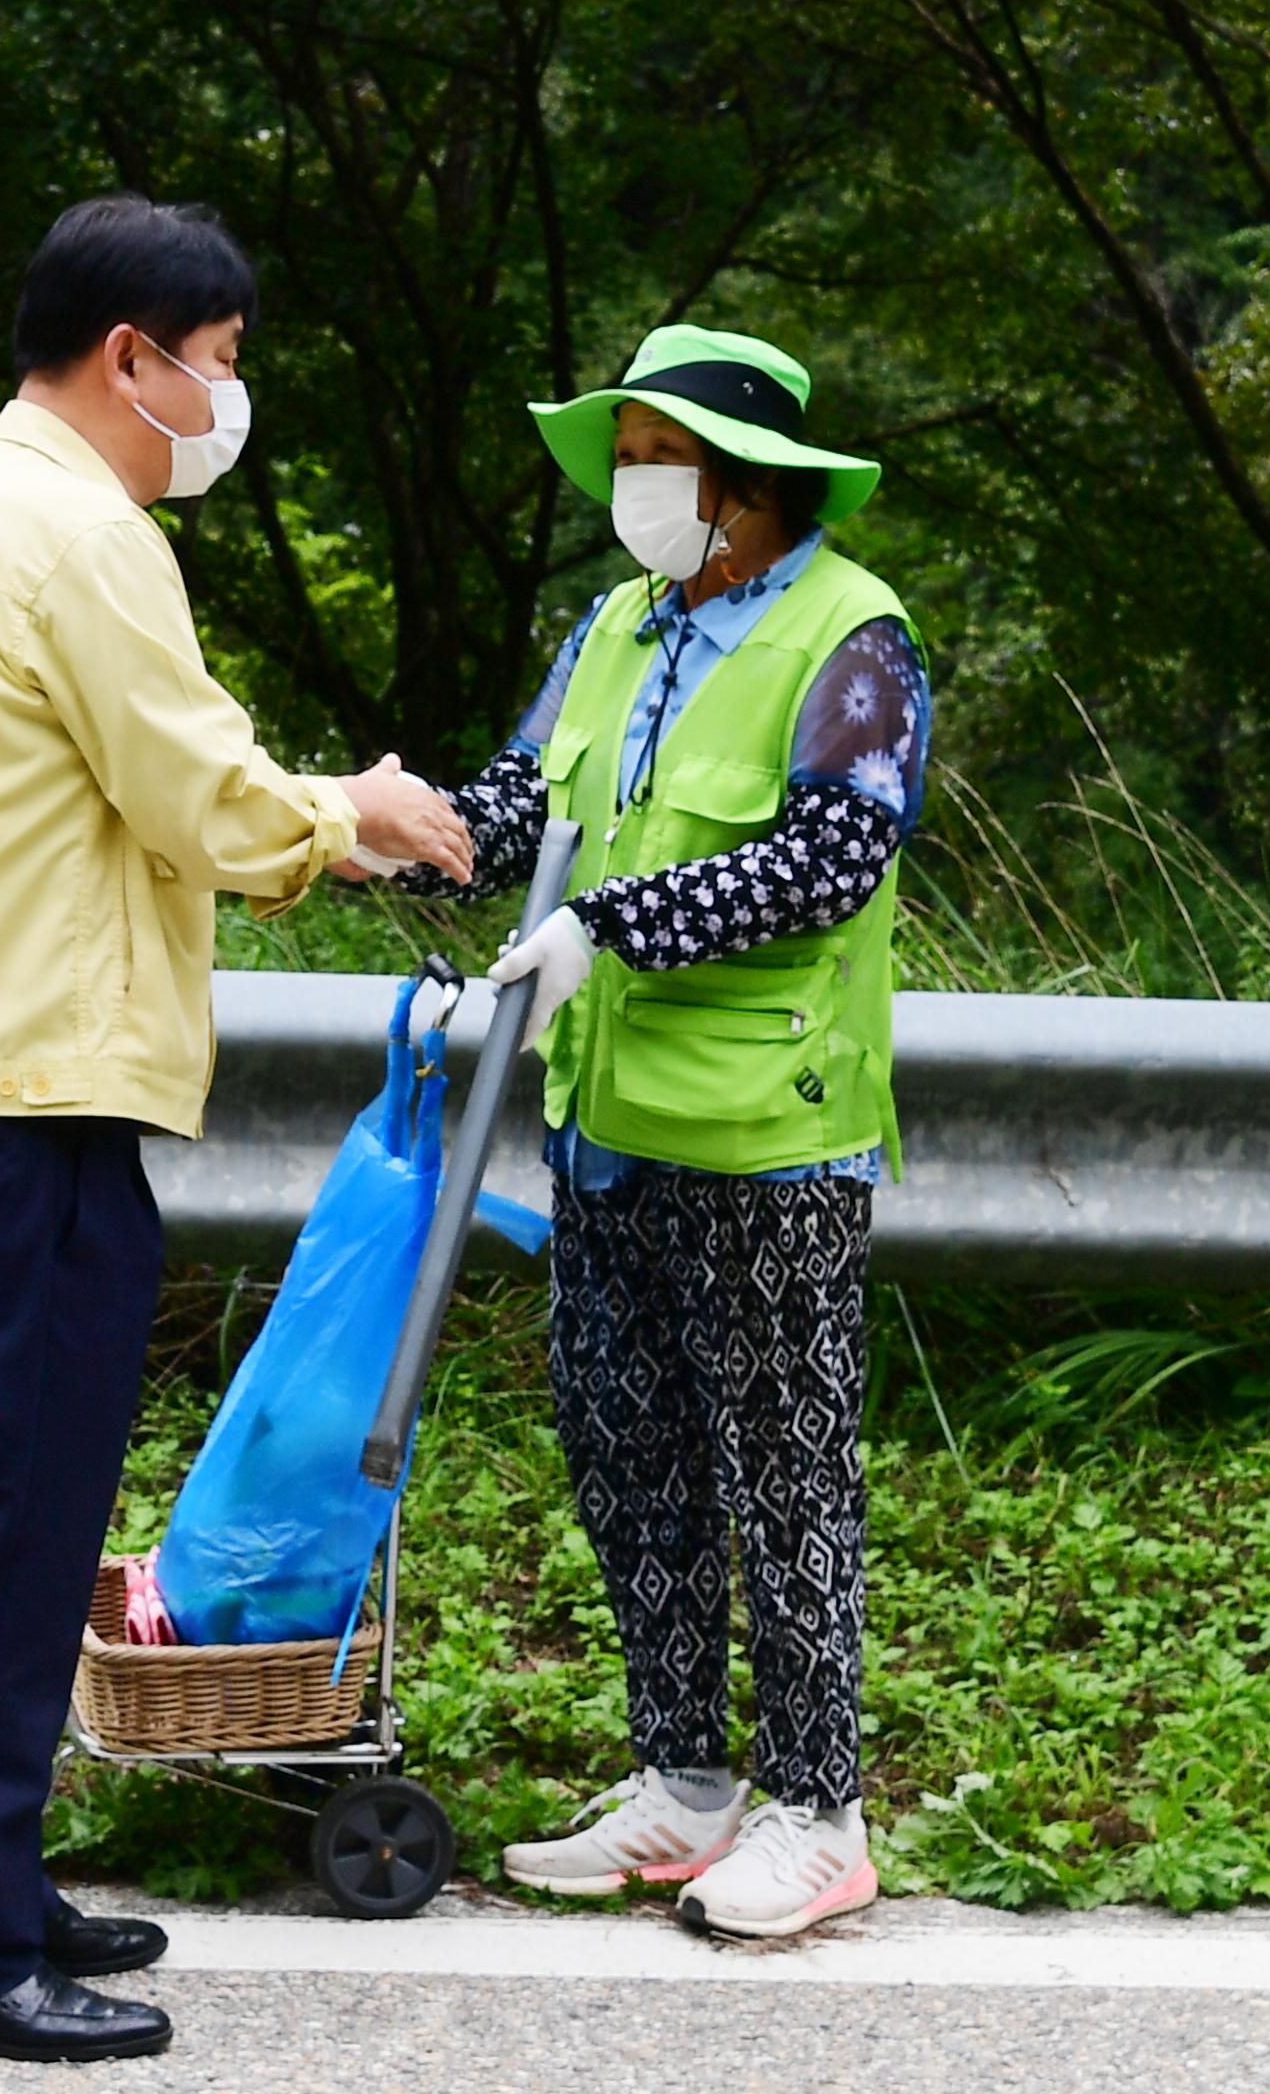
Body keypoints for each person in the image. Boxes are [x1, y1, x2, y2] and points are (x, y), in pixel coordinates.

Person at [0, 195, 472, 2061]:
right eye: (226, 366)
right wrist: (362, 815)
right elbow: (197, 790)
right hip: (2, 1107)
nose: (225, 402)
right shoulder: (78, 536)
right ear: (134, 358)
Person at [393, 323, 927, 1939]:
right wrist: (378, 830)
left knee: (787, 1479)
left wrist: (608, 928)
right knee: (633, 1462)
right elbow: (514, 806)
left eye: (656, 460)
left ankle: (821, 1817)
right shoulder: (622, 624)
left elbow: (830, 857)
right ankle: (686, 1787)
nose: (630, 488)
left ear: (748, 486)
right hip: (606, 1126)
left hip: (768, 1136)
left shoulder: (855, 637)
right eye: (623, 458)